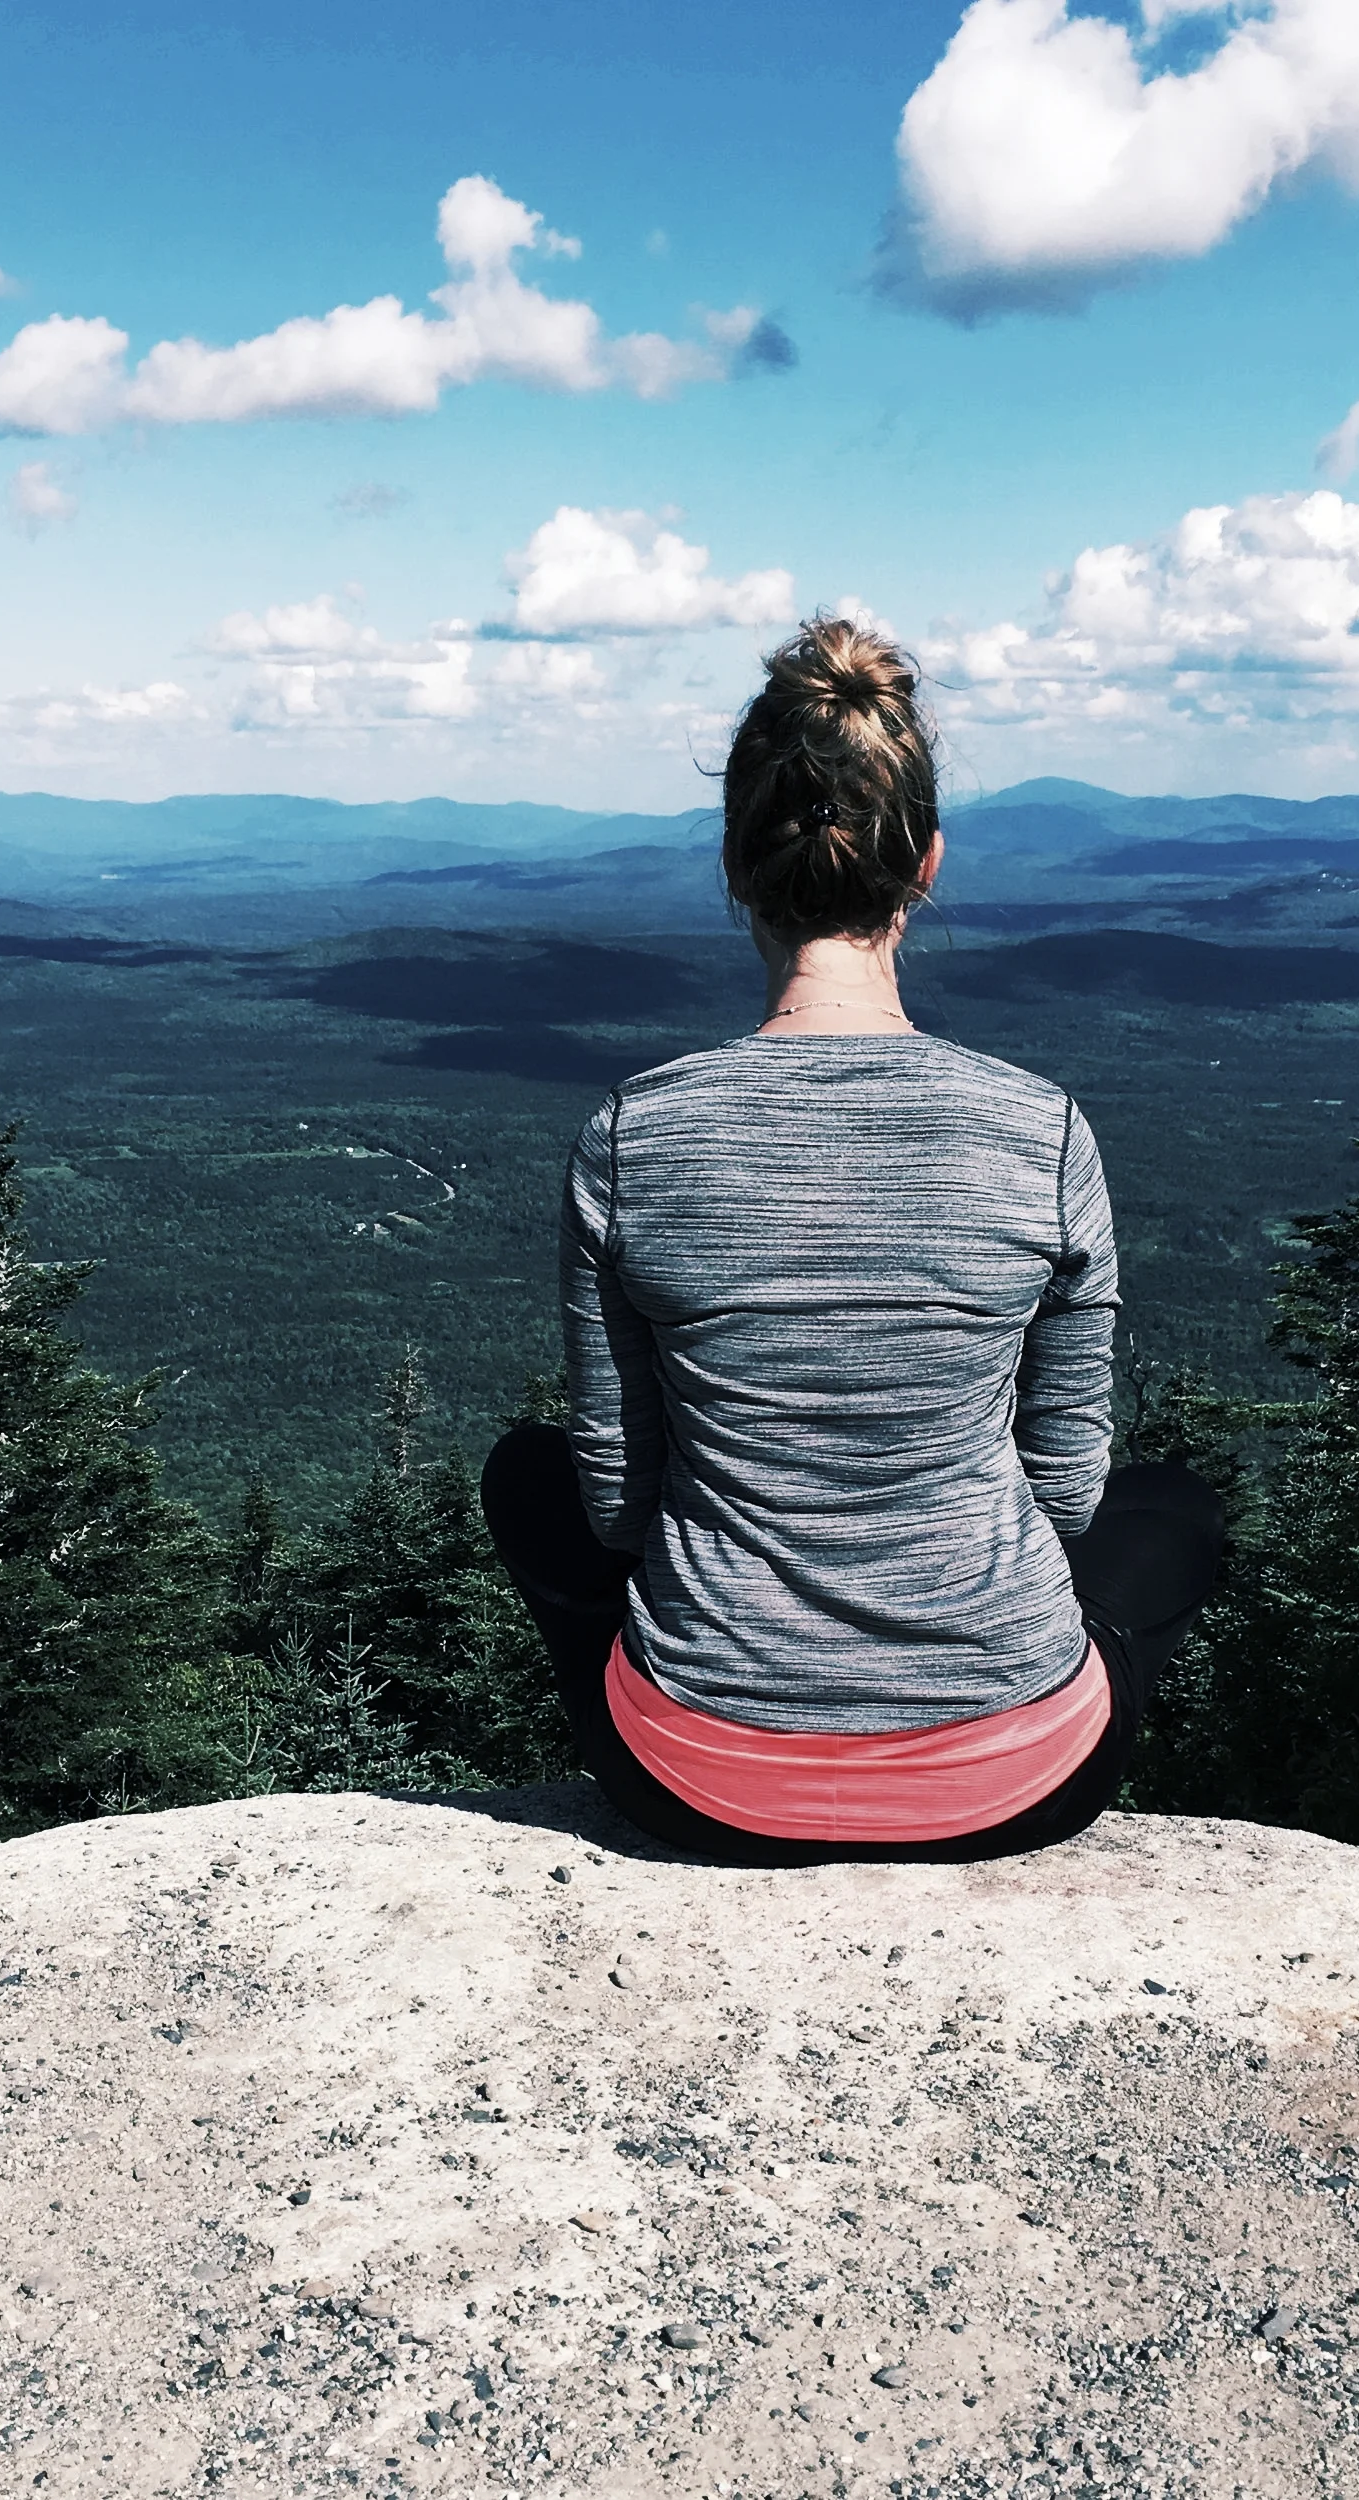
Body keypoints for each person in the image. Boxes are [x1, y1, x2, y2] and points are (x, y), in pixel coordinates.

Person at [481, 616, 1223, 1863]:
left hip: (699, 1779)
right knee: (1176, 1510)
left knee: (526, 1474)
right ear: (924, 861)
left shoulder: (631, 1135)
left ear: (734, 864)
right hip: (1015, 1777)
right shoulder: (1040, 1132)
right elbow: (1063, 1494)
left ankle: (727, 1709)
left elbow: (615, 1508)